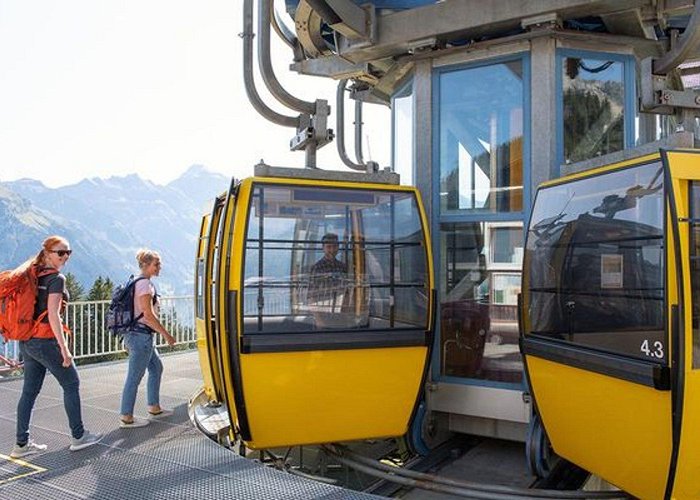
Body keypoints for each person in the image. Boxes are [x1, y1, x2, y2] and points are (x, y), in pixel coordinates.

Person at [11, 236, 103, 458]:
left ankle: (20, 445)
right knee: (71, 383)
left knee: (29, 392)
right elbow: (53, 314)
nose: (65, 257)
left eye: (68, 253)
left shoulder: (34, 275)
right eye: (60, 253)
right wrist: (64, 348)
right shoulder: (56, 279)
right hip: (45, 341)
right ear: (47, 253)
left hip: (28, 341)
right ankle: (79, 436)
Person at [119, 249, 176, 428]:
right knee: (134, 377)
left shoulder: (136, 282)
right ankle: (126, 417)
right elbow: (148, 315)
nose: (160, 267)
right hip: (141, 337)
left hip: (139, 335)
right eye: (156, 264)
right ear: (146, 265)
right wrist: (167, 335)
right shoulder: (144, 285)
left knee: (156, 367)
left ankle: (154, 406)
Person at [308, 233, 347, 306]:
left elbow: (346, 292)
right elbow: (311, 296)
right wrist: (319, 317)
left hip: (340, 308)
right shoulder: (317, 268)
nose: (332, 250)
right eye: (329, 247)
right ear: (323, 248)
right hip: (323, 308)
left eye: (334, 246)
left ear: (338, 247)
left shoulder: (342, 267)